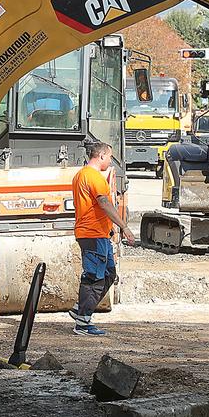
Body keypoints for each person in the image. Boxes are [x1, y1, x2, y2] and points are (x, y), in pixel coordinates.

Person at [70, 137, 128, 338]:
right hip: (93, 234)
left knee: (109, 274)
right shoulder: (94, 178)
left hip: (96, 234)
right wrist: (124, 227)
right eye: (110, 157)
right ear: (101, 155)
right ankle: (83, 323)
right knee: (94, 277)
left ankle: (80, 309)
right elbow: (105, 204)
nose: (111, 161)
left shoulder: (80, 176)